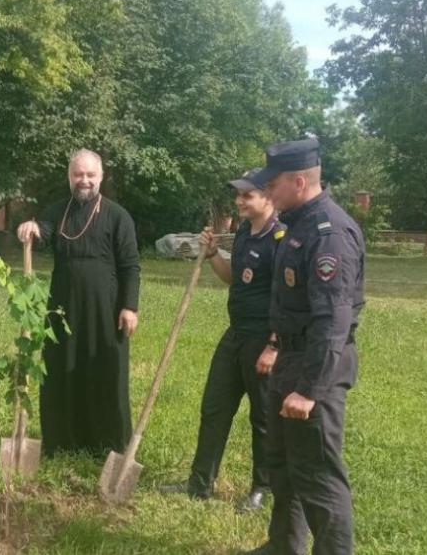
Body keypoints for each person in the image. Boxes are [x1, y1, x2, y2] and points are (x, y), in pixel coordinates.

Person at [243, 139, 365, 555]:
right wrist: (277, 348)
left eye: (272, 184)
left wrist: (310, 389)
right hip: (289, 360)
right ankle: (284, 546)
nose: (268, 192)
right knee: (285, 469)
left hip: (317, 369)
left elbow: (332, 320)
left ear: (298, 181)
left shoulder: (329, 234)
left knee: (318, 476)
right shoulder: (297, 224)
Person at [159, 168, 286, 513]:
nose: (239, 200)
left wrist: (274, 346)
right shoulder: (245, 233)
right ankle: (200, 483)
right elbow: (235, 280)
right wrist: (214, 253)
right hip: (236, 333)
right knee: (214, 407)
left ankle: (262, 487)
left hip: (264, 338)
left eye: (247, 195)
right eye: (239, 194)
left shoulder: (282, 239)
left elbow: (287, 299)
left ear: (268, 197)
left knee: (262, 416)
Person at [16, 149, 141, 457]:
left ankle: (108, 443)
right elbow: (42, 230)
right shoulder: (58, 210)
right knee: (62, 368)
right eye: (77, 175)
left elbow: (130, 265)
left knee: (105, 369)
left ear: (101, 177)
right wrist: (31, 227)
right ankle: (63, 439)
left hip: (106, 309)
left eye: (90, 175)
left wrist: (130, 306)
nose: (84, 180)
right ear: (69, 177)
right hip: (62, 308)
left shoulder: (117, 215)